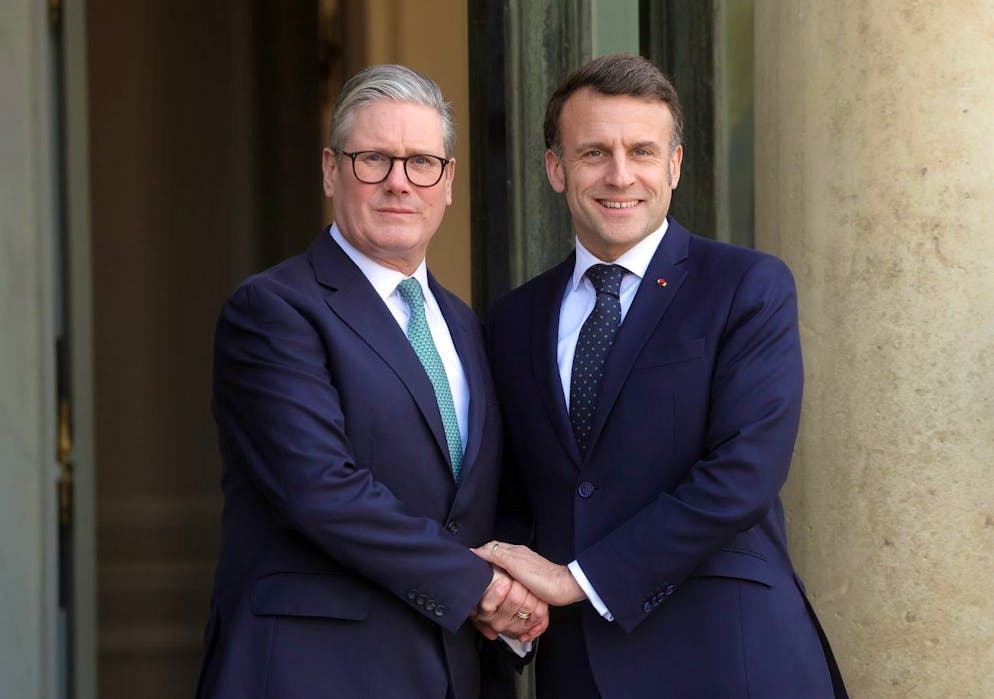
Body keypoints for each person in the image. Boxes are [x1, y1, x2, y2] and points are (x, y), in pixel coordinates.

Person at [477, 54, 848, 698]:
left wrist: (580, 579)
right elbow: (515, 496)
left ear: (673, 167)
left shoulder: (746, 287)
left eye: (642, 151)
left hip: (730, 659)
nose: (621, 175)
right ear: (555, 169)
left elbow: (744, 474)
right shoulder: (512, 321)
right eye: (594, 152)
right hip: (581, 671)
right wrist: (506, 597)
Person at [196, 64, 546, 699]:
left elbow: (479, 502)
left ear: (448, 182)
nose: (398, 183)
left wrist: (521, 591)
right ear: (331, 170)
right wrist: (481, 589)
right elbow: (318, 488)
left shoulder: (465, 326)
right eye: (373, 160)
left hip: (453, 672)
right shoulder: (274, 310)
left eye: (421, 163)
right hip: (316, 672)